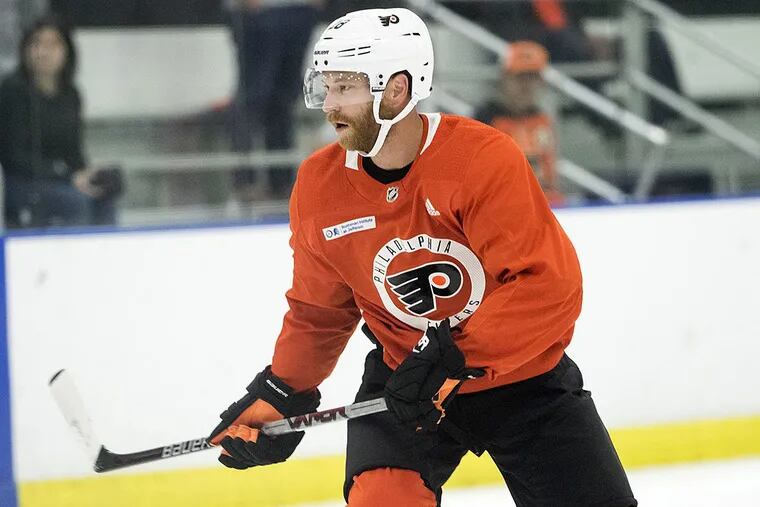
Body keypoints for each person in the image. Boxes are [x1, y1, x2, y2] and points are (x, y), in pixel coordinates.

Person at [208, 8, 637, 507]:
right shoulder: (320, 185)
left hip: (523, 378)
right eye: (327, 87)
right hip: (405, 385)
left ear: (397, 89)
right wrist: (283, 391)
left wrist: (458, 355)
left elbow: (546, 285)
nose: (330, 105)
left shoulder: (480, 158)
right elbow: (320, 311)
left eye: (345, 87)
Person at [0, 16, 120, 227]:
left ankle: (104, 247)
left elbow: (73, 151)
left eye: (52, 45)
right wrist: (66, 176)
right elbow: (13, 156)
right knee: (75, 202)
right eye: (36, 43)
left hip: (61, 179)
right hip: (24, 182)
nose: (43, 52)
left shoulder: (71, 95)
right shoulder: (12, 91)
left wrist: (86, 175)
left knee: (104, 192)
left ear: (66, 51)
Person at [226, 0, 321, 201]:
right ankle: (245, 181)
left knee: (284, 100)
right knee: (254, 96)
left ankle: (281, 182)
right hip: (258, 11)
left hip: (300, 9)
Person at [476, 41, 563, 206]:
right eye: (520, 78)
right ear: (504, 78)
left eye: (533, 78)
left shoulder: (541, 119)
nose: (527, 86)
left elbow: (550, 175)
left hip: (543, 204)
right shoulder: (484, 120)